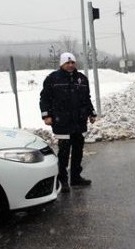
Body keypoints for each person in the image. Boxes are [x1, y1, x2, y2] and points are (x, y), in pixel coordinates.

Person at [40, 52, 97, 192]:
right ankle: (63, 180)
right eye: (68, 63)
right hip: (62, 122)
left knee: (78, 152)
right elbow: (44, 98)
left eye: (73, 63)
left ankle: (76, 178)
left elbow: (86, 98)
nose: (71, 65)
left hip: (79, 121)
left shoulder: (82, 79)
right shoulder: (52, 79)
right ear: (62, 64)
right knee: (64, 153)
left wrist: (91, 112)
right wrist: (46, 115)